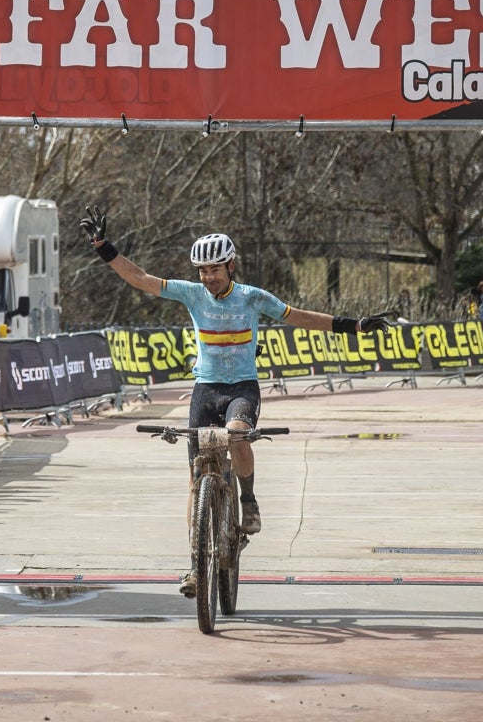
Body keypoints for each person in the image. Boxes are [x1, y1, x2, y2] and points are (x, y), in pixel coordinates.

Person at [79, 206, 390, 597]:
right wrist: (103, 247)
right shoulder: (191, 294)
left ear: (231, 266)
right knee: (195, 478)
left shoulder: (251, 297)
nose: (208, 278)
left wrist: (353, 326)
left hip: (242, 387)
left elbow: (299, 317)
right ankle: (195, 565)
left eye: (215, 270)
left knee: (238, 434)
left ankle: (248, 498)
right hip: (205, 388)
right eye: (202, 271)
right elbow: (139, 278)